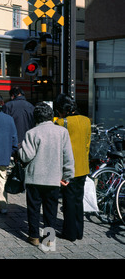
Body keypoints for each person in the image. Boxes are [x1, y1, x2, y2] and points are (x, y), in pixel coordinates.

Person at [18, 102, 75, 246]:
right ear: (51, 115)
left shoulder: (32, 133)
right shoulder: (62, 132)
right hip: (53, 178)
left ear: (36, 117)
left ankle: (34, 236)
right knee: (50, 210)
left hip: (34, 178)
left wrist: (20, 149)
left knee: (34, 209)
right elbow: (68, 156)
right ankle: (49, 239)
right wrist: (67, 175)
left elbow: (26, 156)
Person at [54, 93, 91, 242]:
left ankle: (69, 233)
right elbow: (87, 144)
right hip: (83, 166)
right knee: (78, 200)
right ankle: (79, 231)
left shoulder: (62, 123)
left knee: (68, 201)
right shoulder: (86, 120)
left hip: (68, 168)